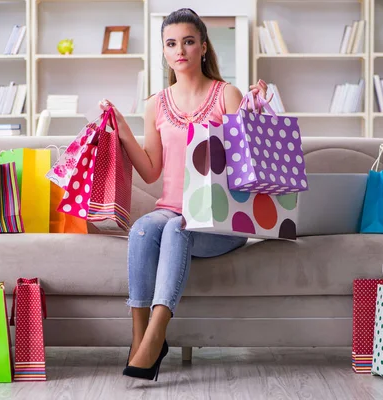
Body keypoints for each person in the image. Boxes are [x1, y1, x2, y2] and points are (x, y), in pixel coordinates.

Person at [99, 8, 270, 381]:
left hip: (222, 219)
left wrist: (254, 110)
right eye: (172, 43)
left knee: (178, 228)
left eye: (189, 42)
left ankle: (157, 333)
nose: (181, 50)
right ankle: (139, 338)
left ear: (203, 48)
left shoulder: (227, 94)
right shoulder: (155, 104)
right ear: (164, 51)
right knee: (144, 228)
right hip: (172, 209)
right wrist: (122, 128)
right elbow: (151, 171)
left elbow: (249, 165)